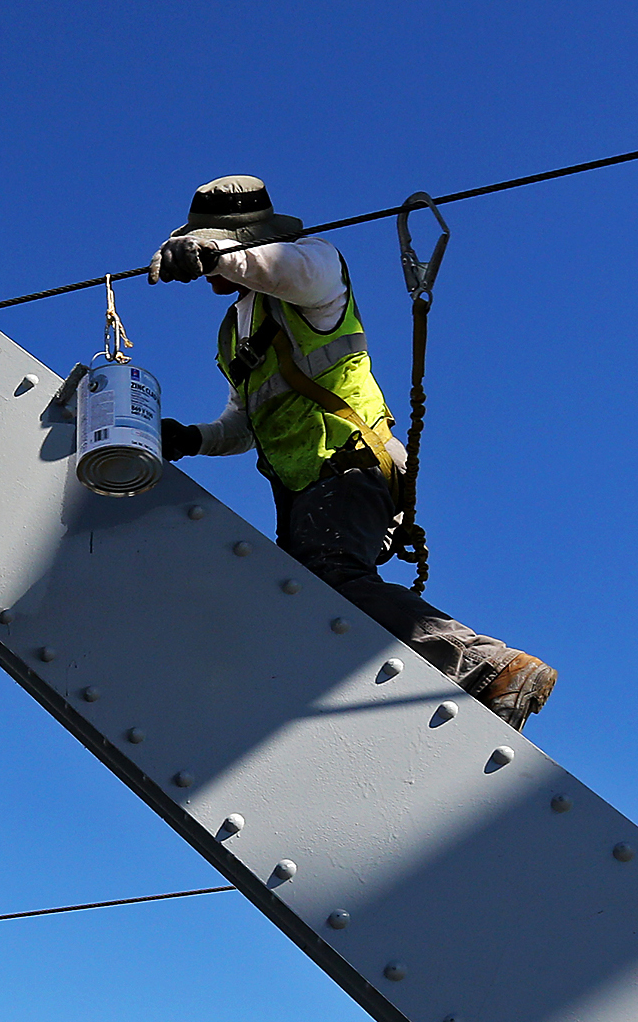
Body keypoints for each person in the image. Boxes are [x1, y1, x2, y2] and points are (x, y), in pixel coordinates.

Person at [149, 175, 556, 728]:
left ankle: (487, 668)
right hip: (301, 488)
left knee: (328, 579)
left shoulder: (315, 270)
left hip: (349, 461)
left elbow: (281, 267)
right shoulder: (232, 334)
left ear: (241, 238)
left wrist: (214, 251)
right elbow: (243, 423)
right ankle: (418, 699)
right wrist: (190, 438)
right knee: (303, 603)